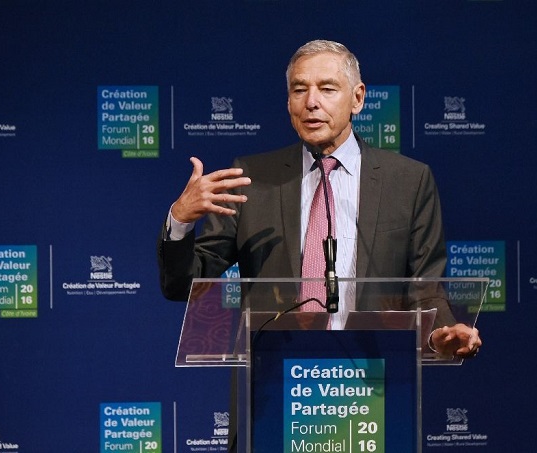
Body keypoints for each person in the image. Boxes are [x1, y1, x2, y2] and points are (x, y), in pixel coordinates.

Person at [157, 39, 481, 358]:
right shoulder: (251, 179)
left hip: (372, 376)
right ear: (288, 102)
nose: (311, 101)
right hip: (276, 378)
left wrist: (443, 331)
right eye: (299, 90)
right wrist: (180, 221)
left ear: (357, 98)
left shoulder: (408, 180)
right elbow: (184, 285)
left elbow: (424, 286)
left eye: (327, 89)